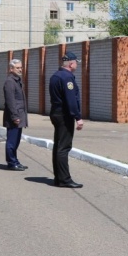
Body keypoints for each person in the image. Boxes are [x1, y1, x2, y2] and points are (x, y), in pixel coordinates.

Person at [49, 52, 84, 188]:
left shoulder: (55, 76)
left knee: (58, 146)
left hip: (56, 114)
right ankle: (65, 179)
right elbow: (71, 100)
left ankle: (59, 178)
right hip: (65, 116)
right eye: (76, 62)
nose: (77, 64)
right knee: (64, 147)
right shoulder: (67, 78)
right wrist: (78, 117)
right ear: (71, 63)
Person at [3, 58, 28, 171]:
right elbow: (10, 101)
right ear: (11, 69)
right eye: (17, 68)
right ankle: (11, 162)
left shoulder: (16, 80)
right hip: (14, 117)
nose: (20, 69)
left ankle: (15, 161)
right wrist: (15, 116)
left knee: (16, 141)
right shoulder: (10, 82)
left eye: (21, 67)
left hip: (19, 115)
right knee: (12, 141)